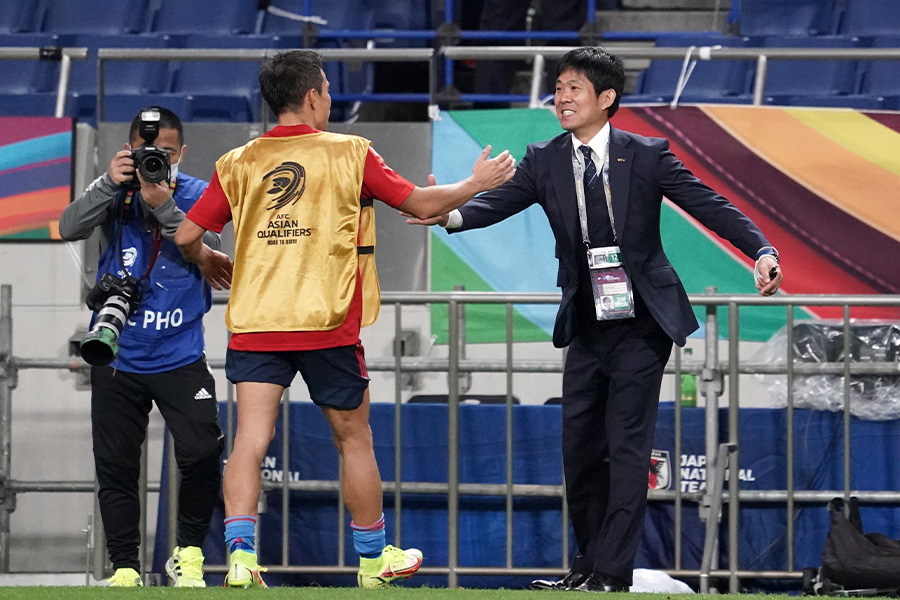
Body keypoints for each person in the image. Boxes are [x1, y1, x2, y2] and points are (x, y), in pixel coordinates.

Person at [408, 46, 783, 592]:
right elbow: (501, 202)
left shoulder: (648, 155)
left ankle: (612, 572)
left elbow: (711, 205)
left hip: (642, 322)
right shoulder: (545, 158)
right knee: (580, 449)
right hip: (586, 321)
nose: (561, 97)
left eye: (574, 88)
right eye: (558, 87)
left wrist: (762, 249)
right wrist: (451, 215)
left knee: (626, 448)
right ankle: (586, 564)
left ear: (606, 99)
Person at [173, 49, 516, 589]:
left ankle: (240, 557)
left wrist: (209, 259)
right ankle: (372, 561)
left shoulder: (237, 162)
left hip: (258, 322)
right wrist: (477, 183)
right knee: (353, 440)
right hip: (325, 322)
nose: (330, 99)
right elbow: (422, 205)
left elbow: (187, 236)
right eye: (328, 90)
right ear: (312, 97)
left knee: (249, 440)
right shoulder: (350, 153)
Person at [59, 107, 224, 588]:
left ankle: (188, 554)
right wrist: (110, 184)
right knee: (116, 464)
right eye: (149, 153)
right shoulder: (113, 188)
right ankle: (126, 567)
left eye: (167, 154)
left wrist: (161, 202)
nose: (158, 160)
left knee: (200, 453)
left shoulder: (197, 192)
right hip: (118, 353)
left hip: (180, 353)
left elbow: (209, 243)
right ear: (130, 151)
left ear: (182, 153)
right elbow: (69, 227)